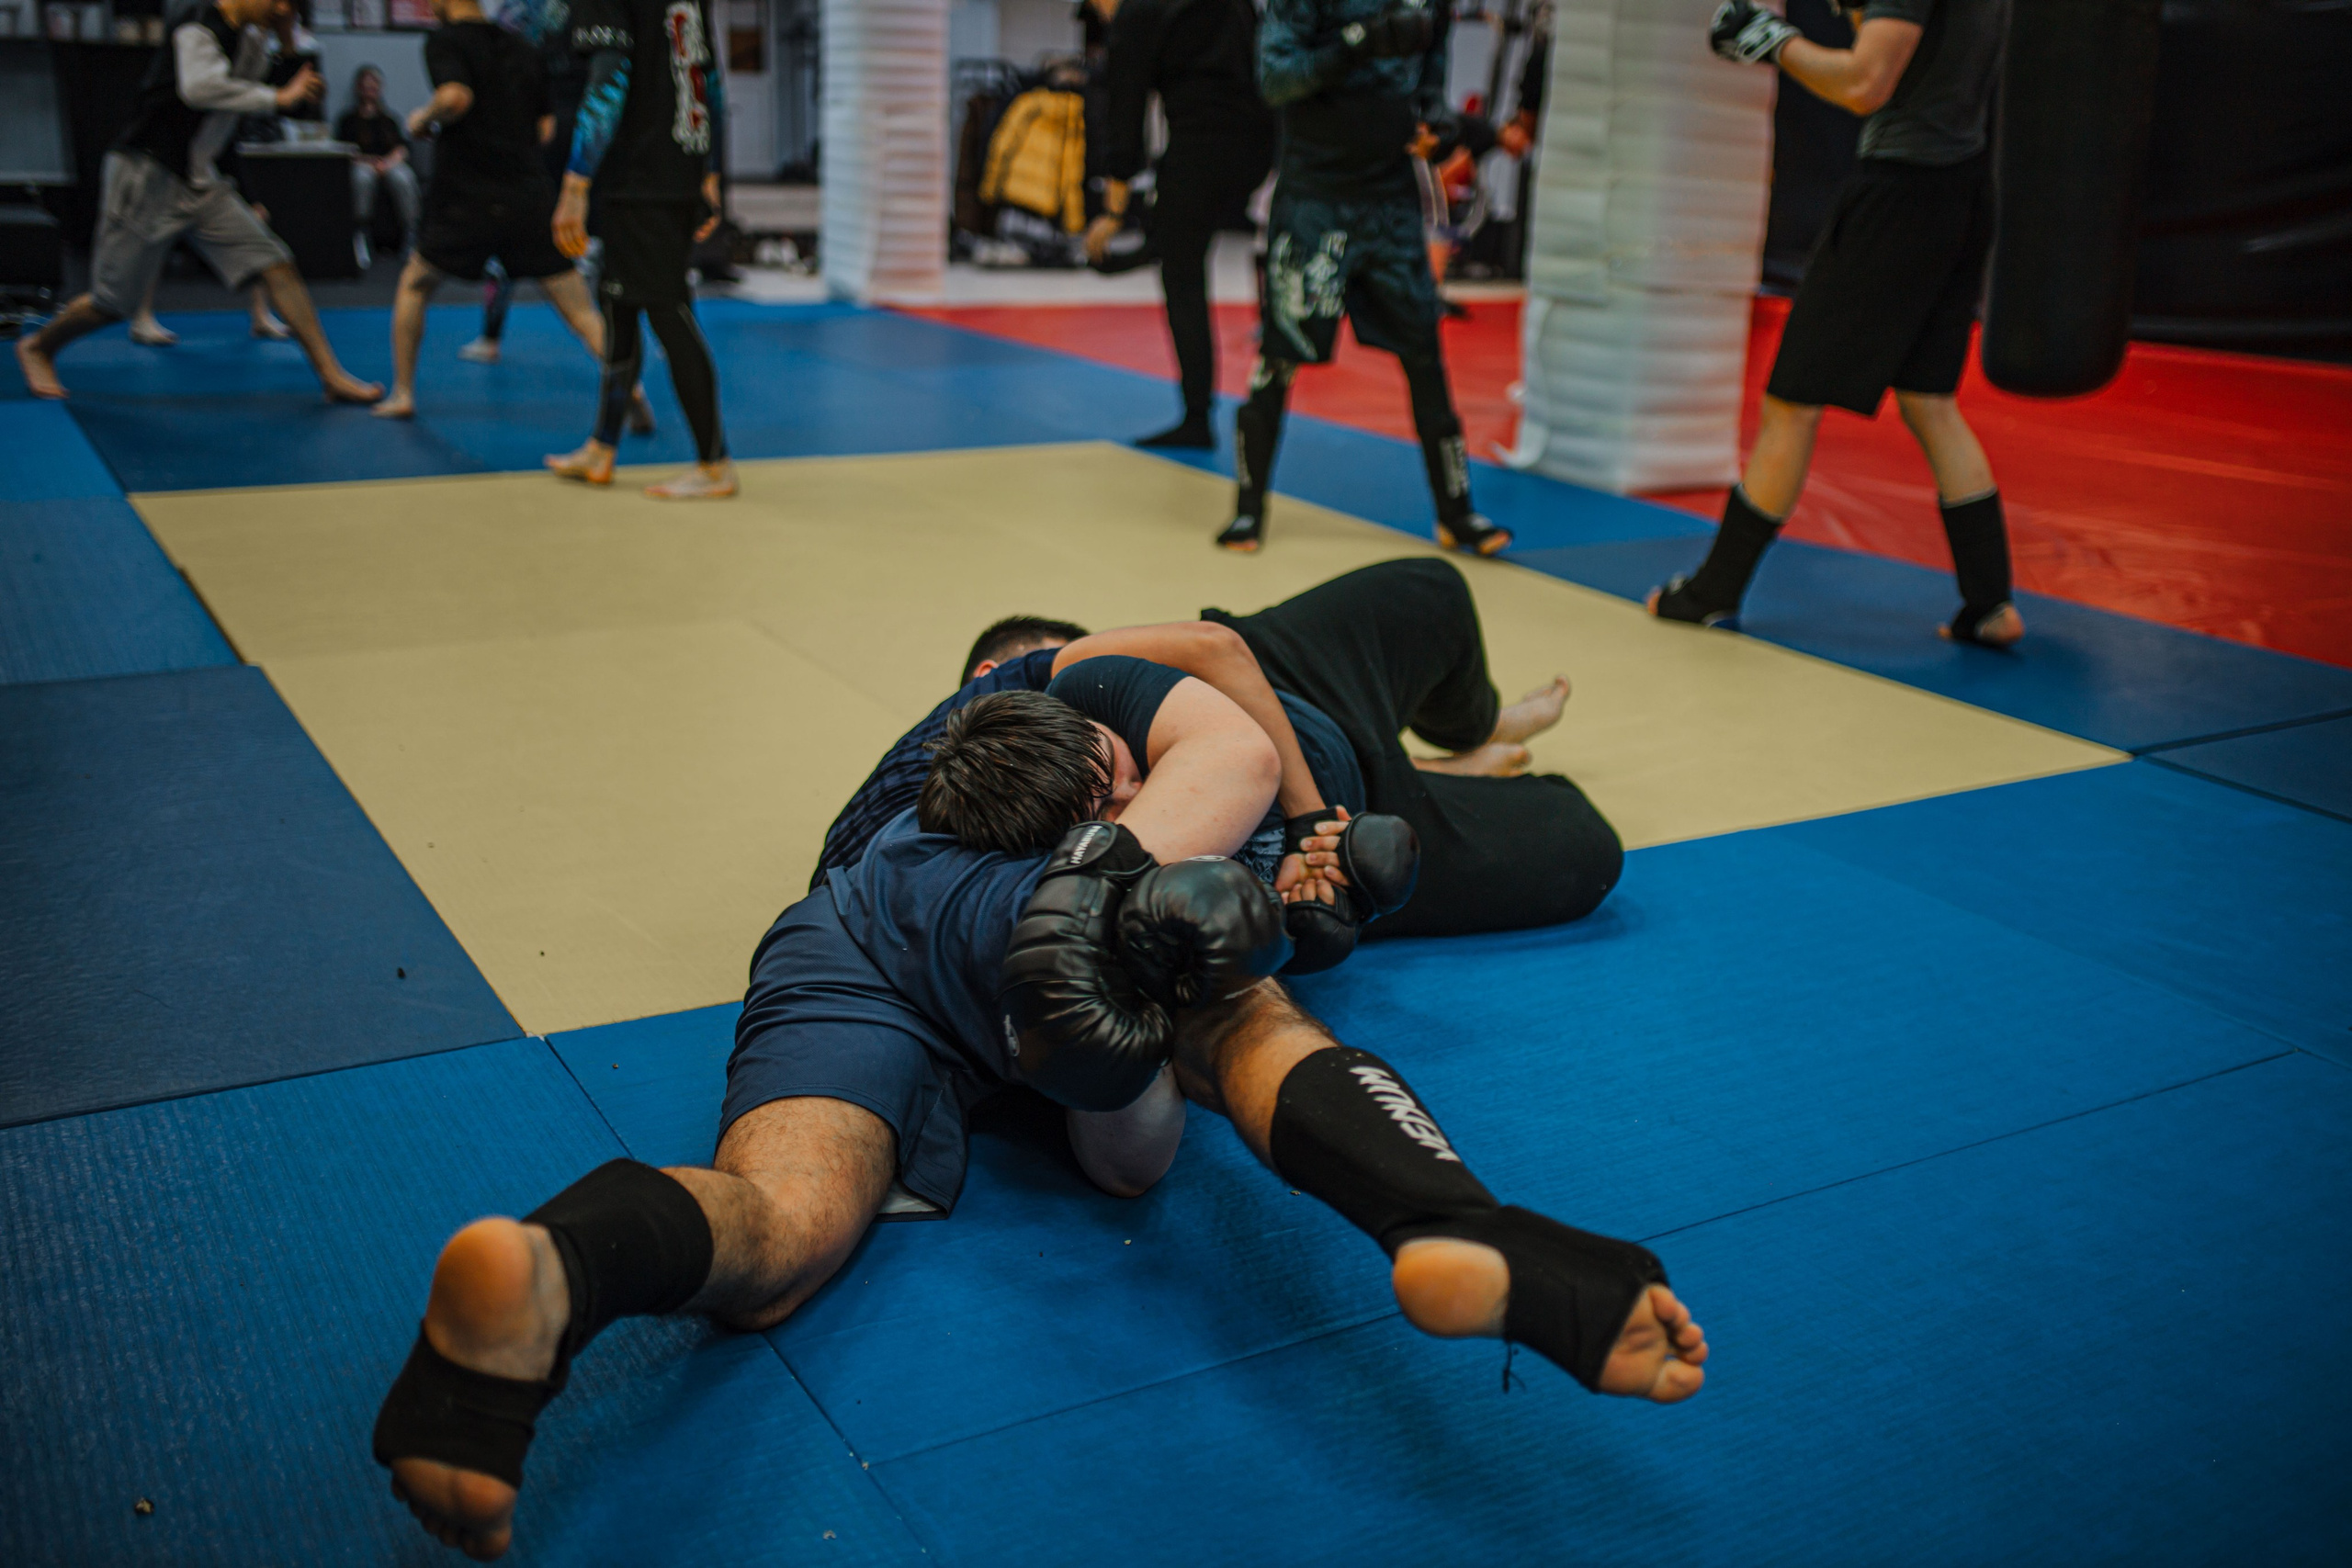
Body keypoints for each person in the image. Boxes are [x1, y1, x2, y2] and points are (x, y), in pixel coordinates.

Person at [369, 655, 1707, 1561]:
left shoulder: (912, 787)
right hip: (1020, 896)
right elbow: (1229, 742)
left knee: (777, 1229)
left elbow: (1126, 1141)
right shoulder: (1081, 699)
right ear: (1106, 749)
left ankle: (555, 1267)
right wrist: (1130, 910)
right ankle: (1457, 1221)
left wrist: (1268, 920)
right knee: (1233, 1005)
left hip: (839, 934)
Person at [817, 558, 1622, 962]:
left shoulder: (1094, 674)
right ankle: (1446, 771)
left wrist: (1308, 815)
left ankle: (1473, 727)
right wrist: (1319, 840)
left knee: (1433, 589)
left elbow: (1215, 649)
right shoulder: (1000, 792)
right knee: (1582, 847)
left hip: (1283, 677)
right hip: (1351, 812)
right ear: (989, 684)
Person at [1650, 0, 2022, 648]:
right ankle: (1990, 602)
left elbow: (1863, 84)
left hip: (1899, 194)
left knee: (1790, 403)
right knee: (1930, 402)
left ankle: (1712, 592)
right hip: (1962, 187)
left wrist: (1773, 42)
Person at [1219, 0, 1510, 558]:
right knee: (1281, 356)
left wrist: (1442, 128)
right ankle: (1248, 508)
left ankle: (1457, 513)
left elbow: (1428, 91)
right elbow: (1276, 81)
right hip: (1314, 199)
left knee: (1425, 352)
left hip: (1390, 203)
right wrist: (1356, 40)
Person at [15, 0, 382, 404]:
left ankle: (331, 375)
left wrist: (288, 38)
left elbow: (288, 92)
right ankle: (39, 347)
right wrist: (278, 97)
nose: (282, 8)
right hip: (147, 173)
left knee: (277, 265)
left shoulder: (253, 38)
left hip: (200, 178)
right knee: (112, 302)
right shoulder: (198, 21)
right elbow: (200, 88)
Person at [375, 0, 654, 425]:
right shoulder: (524, 48)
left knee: (415, 285)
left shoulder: (444, 42)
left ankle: (403, 393)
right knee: (580, 312)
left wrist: (420, 118)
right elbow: (545, 129)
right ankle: (629, 386)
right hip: (528, 193)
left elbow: (455, 96)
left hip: (464, 195)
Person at [541, 0, 733, 498]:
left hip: (642, 175)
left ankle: (715, 465)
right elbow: (706, 75)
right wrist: (709, 168)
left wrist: (575, 183)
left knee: (667, 310)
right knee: (619, 304)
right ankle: (602, 448)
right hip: (667, 167)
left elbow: (610, 78)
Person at [1081, 0, 1276, 451]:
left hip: (1201, 147)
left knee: (1182, 277)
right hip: (1262, 146)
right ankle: (1257, 408)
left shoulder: (1138, 14)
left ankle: (1196, 416)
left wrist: (1113, 212)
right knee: (1183, 243)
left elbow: (1125, 111)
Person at [338, 65, 423, 250]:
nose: (370, 89)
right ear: (358, 88)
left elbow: (402, 148)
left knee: (403, 178)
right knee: (362, 179)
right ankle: (361, 232)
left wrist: (388, 163)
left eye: (374, 85)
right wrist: (370, 162)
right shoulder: (348, 120)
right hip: (362, 164)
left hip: (388, 163)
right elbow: (344, 152)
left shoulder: (389, 119)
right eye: (366, 85)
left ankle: (412, 231)